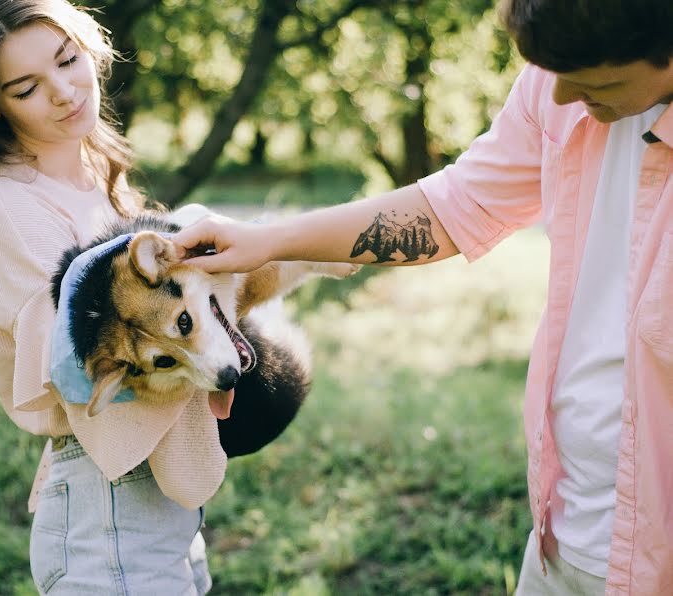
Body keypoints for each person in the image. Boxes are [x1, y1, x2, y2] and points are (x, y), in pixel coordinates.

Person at [172, 0, 672, 594]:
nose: (560, 99)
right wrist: (269, 242)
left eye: (598, 83)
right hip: (563, 528)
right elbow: (450, 208)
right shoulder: (556, 82)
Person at [0, 1, 218, 593]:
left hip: (151, 484)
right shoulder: (14, 210)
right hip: (110, 498)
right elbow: (83, 376)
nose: (63, 92)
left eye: (66, 59)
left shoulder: (94, 173)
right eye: (27, 87)